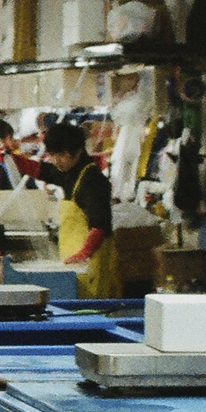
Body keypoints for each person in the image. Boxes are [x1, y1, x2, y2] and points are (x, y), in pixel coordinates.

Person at [35, 120, 119, 300]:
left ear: (78, 151)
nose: (56, 161)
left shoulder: (92, 180)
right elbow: (44, 171)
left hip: (91, 265)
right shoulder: (69, 171)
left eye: (61, 155)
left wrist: (83, 254)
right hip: (76, 265)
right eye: (52, 155)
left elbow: (100, 225)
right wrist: (13, 159)